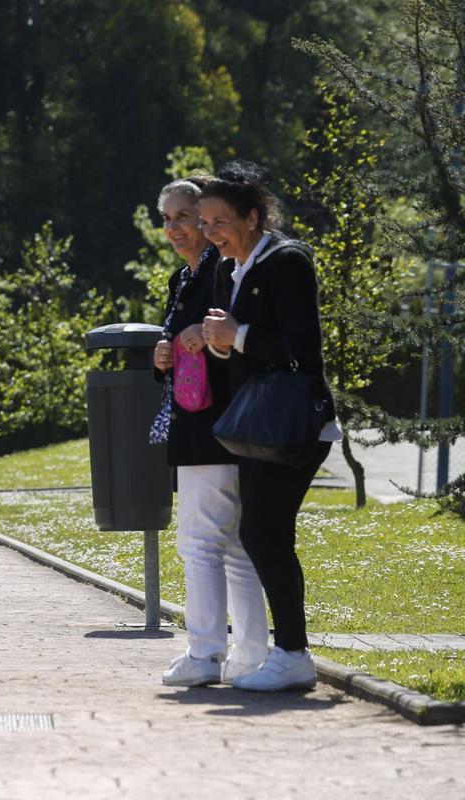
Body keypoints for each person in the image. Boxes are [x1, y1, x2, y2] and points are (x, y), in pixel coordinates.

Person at [199, 160, 339, 692]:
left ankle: (293, 654)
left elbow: (304, 352)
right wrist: (219, 341)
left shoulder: (286, 262)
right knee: (263, 534)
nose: (211, 233)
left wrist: (236, 335)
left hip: (294, 427)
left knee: (263, 533)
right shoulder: (228, 267)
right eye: (205, 222)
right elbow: (239, 344)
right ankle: (288, 654)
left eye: (220, 221)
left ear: (253, 216)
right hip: (256, 426)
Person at [150, 178, 270, 688]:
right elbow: (180, 341)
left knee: (200, 540)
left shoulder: (219, 273)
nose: (177, 228)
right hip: (203, 420)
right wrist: (164, 354)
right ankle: (249, 654)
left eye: (187, 217)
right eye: (168, 219)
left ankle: (204, 654)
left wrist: (198, 338)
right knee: (233, 542)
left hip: (213, 422)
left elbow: (225, 337)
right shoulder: (185, 277)